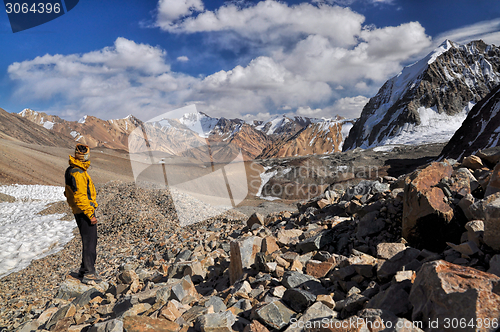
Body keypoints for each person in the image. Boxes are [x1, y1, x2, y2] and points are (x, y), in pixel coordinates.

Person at [64, 143, 101, 284]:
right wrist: (90, 214)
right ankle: (89, 272)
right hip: (84, 212)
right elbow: (80, 197)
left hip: (79, 211)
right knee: (90, 241)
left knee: (88, 240)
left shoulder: (72, 169)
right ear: (85, 156)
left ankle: (84, 268)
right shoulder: (78, 173)